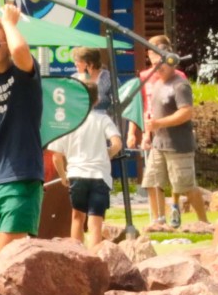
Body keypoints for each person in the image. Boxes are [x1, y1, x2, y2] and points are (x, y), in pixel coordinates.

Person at [0, 4, 43, 267]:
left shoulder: (23, 72)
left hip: (20, 178)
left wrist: (8, 22)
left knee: (6, 266)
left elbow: (19, 51)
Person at [136, 35, 207, 227]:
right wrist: (148, 134)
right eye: (154, 63)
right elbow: (151, 114)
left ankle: (204, 222)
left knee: (186, 186)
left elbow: (186, 113)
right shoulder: (157, 83)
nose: (158, 67)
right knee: (152, 182)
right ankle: (158, 221)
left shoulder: (180, 84)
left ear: (171, 61)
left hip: (178, 145)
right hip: (159, 143)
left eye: (161, 63)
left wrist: (158, 123)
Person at [48, 82, 124, 246]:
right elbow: (117, 144)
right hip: (99, 175)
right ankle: (95, 254)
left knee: (77, 217)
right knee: (95, 221)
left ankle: (76, 254)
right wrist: (107, 154)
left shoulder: (67, 122)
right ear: (97, 100)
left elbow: (56, 156)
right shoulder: (102, 119)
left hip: (76, 174)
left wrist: (63, 176)